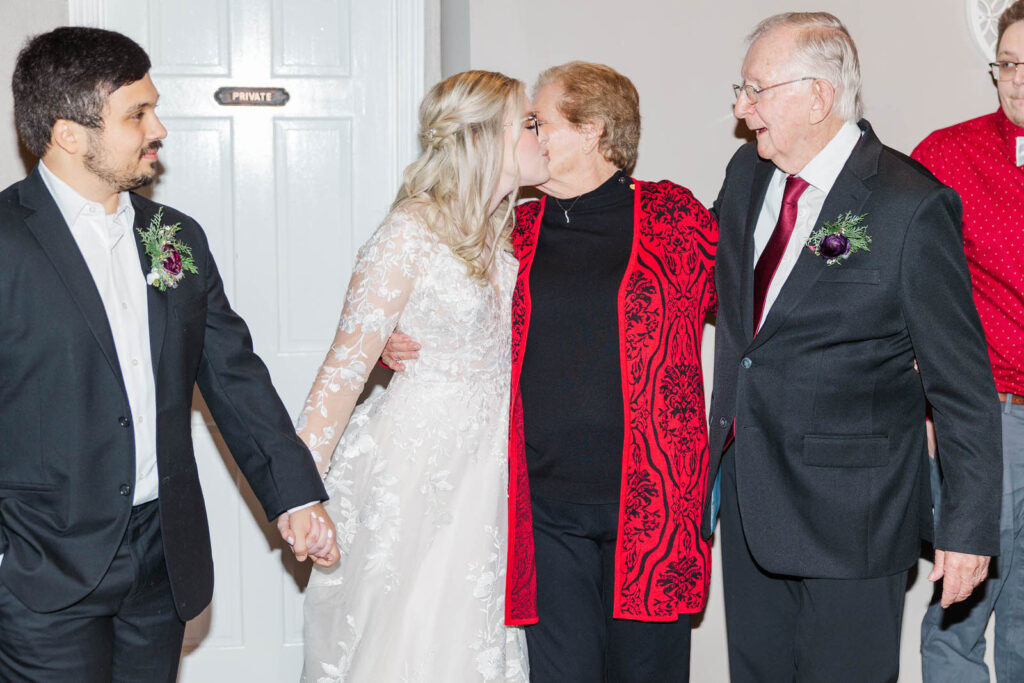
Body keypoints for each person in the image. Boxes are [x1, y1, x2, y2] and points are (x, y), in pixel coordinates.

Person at [0, 27, 337, 682]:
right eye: (137, 114)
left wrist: (294, 495)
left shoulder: (172, 237)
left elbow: (234, 373)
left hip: (161, 560)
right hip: (44, 569)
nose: (158, 128)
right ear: (70, 133)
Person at [384, 61, 718, 682]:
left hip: (653, 506)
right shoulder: (511, 228)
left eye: (539, 120)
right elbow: (441, 303)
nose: (528, 132)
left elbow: (762, 310)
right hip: (540, 508)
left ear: (592, 131)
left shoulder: (675, 216)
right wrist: (396, 338)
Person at [704, 12, 1002, 682]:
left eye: (756, 89)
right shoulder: (746, 176)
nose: (740, 107)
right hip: (751, 496)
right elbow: (733, 311)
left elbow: (961, 384)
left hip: (851, 515)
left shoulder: (909, 204)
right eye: (741, 89)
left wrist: (968, 527)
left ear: (817, 95)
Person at [297, 69, 549, 681]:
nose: (542, 135)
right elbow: (342, 371)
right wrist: (298, 492)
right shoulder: (409, 233)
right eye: (530, 124)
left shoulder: (508, 231)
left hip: (492, 465)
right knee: (410, 632)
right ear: (487, 137)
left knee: (475, 636)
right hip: (419, 466)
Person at [911, 2, 1024, 680]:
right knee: (963, 605)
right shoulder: (946, 157)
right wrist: (925, 401)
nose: (1017, 80)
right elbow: (898, 285)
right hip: (984, 416)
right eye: (1008, 64)